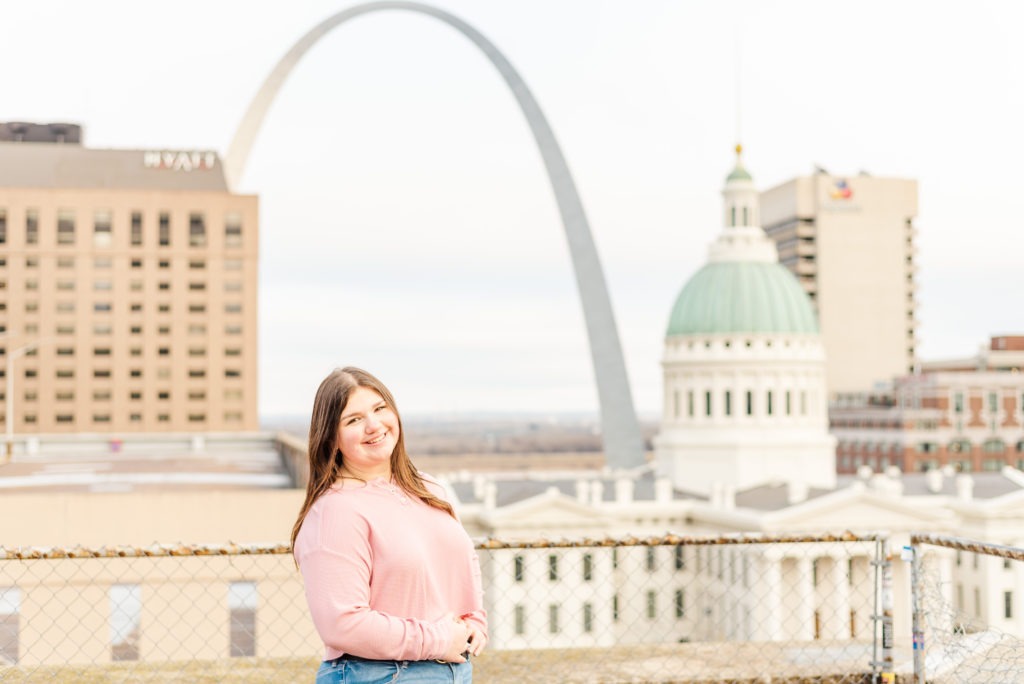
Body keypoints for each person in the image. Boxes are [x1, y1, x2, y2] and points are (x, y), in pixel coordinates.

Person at [291, 367, 487, 683]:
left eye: (380, 408)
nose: (374, 425)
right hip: (378, 675)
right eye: (353, 420)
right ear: (332, 437)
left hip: (453, 669)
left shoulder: (430, 489)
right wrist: (438, 640)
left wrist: (475, 620)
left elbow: (464, 564)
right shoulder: (335, 511)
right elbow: (342, 623)